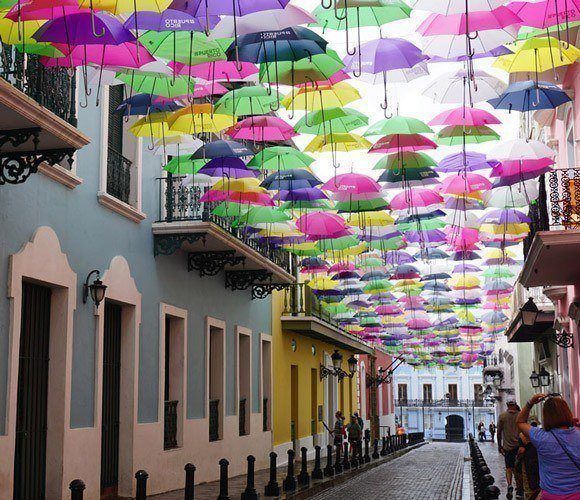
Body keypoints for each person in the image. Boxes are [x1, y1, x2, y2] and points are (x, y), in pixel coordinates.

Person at [516, 393, 580, 499]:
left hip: (551, 495)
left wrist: (530, 403)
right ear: (568, 412)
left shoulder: (540, 437)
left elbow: (520, 421)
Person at [498, 400, 524, 499]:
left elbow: (499, 432)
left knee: (508, 468)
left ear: (507, 405)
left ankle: (509, 485)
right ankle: (519, 489)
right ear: (515, 405)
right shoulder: (520, 415)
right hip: (518, 445)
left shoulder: (502, 416)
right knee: (518, 469)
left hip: (507, 447)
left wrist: (499, 446)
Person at [516, 424, 540, 500]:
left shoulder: (522, 435)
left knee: (529, 487)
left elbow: (521, 450)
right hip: (538, 465)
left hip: (528, 463)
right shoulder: (540, 435)